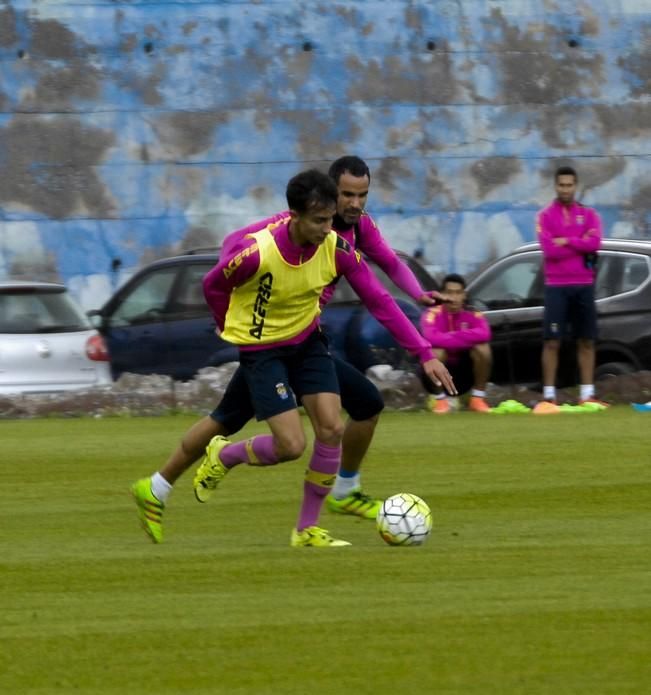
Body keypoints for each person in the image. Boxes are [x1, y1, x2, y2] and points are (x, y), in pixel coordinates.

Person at [132, 169, 455, 546]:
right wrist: (228, 324)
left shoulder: (337, 249)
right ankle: (176, 479)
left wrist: (425, 354)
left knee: (331, 428)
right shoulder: (258, 253)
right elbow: (213, 284)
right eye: (319, 220)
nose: (326, 228)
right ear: (294, 216)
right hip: (263, 352)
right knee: (286, 444)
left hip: (307, 344)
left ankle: (305, 530)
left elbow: (380, 301)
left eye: (330, 219)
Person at [535, 165, 607, 410]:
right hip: (556, 286)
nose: (565, 189)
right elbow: (549, 250)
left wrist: (566, 240)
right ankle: (549, 396)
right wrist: (580, 242)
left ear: (576, 186)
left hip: (584, 285)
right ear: (555, 186)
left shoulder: (589, 215)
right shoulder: (545, 216)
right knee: (552, 341)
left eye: (569, 185)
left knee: (586, 340)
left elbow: (595, 243)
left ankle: (587, 394)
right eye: (561, 185)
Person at [419, 273, 492, 414]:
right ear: (441, 295)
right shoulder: (431, 313)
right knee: (436, 351)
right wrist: (466, 339)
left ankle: (477, 399)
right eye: (449, 293)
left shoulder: (473, 313)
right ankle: (440, 401)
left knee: (483, 349)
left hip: (464, 372)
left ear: (464, 295)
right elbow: (430, 337)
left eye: (458, 293)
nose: (454, 298)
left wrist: (450, 337)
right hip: (436, 375)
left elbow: (485, 333)